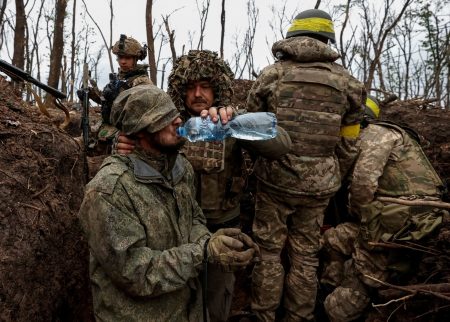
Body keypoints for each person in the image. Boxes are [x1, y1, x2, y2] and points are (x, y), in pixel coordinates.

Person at [116, 50, 291, 322]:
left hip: (222, 225)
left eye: (205, 86)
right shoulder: (167, 126)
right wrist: (123, 145)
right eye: (190, 87)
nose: (198, 94)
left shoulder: (227, 121)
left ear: (217, 87)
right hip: (175, 230)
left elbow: (282, 144)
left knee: (216, 304)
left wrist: (236, 120)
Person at [78, 84, 260, 322]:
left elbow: (193, 218)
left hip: (188, 309)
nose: (177, 120)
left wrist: (213, 243)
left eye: (174, 113)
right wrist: (202, 253)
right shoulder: (109, 191)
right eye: (163, 117)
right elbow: (135, 272)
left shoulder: (180, 167)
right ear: (140, 129)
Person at [245, 9, 366, 322]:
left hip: (274, 181)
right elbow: (349, 144)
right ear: (328, 39)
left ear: (293, 36)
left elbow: (252, 128)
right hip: (319, 188)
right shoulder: (349, 83)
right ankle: (299, 317)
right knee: (306, 253)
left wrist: (264, 162)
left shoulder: (272, 75)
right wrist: (329, 172)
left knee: (269, 252)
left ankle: (263, 315)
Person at [322, 95, 448, 321]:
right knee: (333, 239)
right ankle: (330, 287)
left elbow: (363, 185)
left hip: (402, 220)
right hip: (391, 215)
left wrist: (359, 216)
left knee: (345, 300)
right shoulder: (375, 136)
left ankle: (340, 305)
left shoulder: (377, 135)